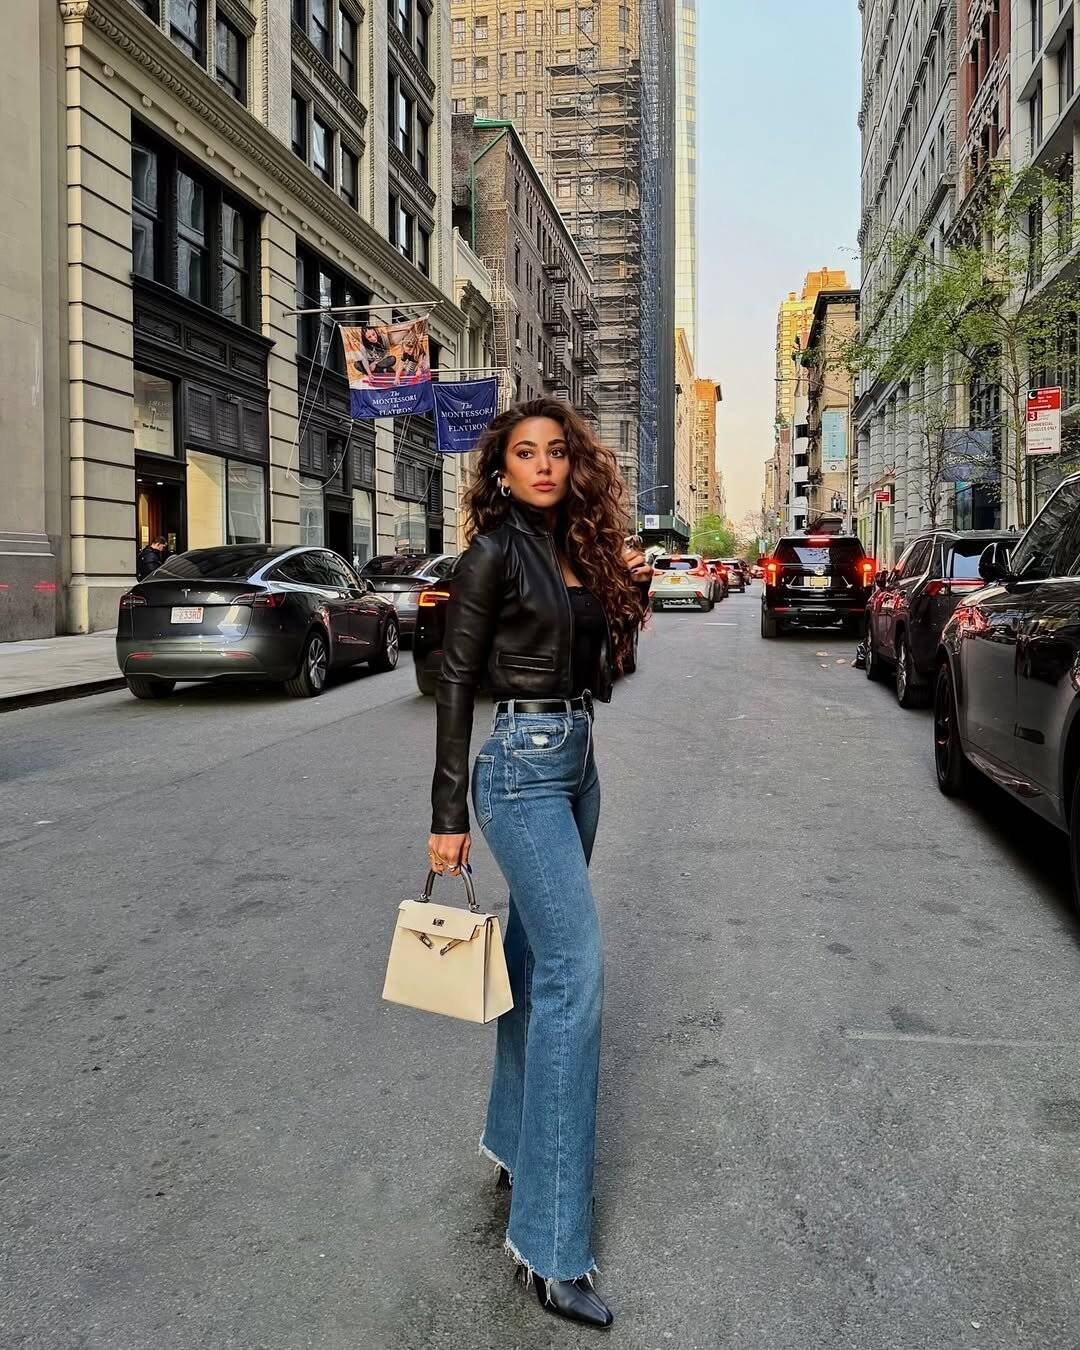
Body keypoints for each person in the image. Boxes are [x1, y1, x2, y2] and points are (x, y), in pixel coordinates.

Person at [426, 398, 652, 1330]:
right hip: (518, 771)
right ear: (502, 469)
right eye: (525, 453)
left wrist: (622, 598)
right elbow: (453, 679)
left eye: (558, 451)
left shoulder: (580, 549)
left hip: (579, 764)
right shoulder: (491, 554)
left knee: (530, 965)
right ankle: (551, 1244)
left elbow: (602, 664)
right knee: (576, 974)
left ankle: (510, 1137)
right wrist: (447, 815)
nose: (545, 465)